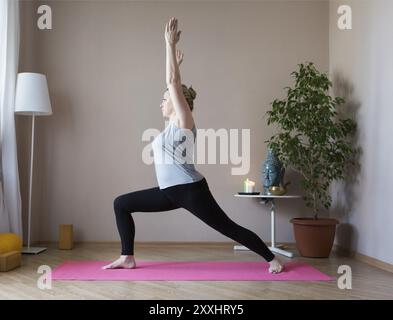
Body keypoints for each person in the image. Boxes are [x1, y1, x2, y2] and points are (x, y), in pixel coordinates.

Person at [103, 17, 284, 274]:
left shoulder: (185, 121)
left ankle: (271, 259)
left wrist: (168, 45)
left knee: (227, 227)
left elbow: (173, 83)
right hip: (169, 191)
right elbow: (173, 84)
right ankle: (127, 257)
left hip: (189, 190)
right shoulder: (169, 128)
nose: (161, 102)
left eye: (165, 99)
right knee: (121, 203)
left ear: (179, 105)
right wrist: (175, 63)